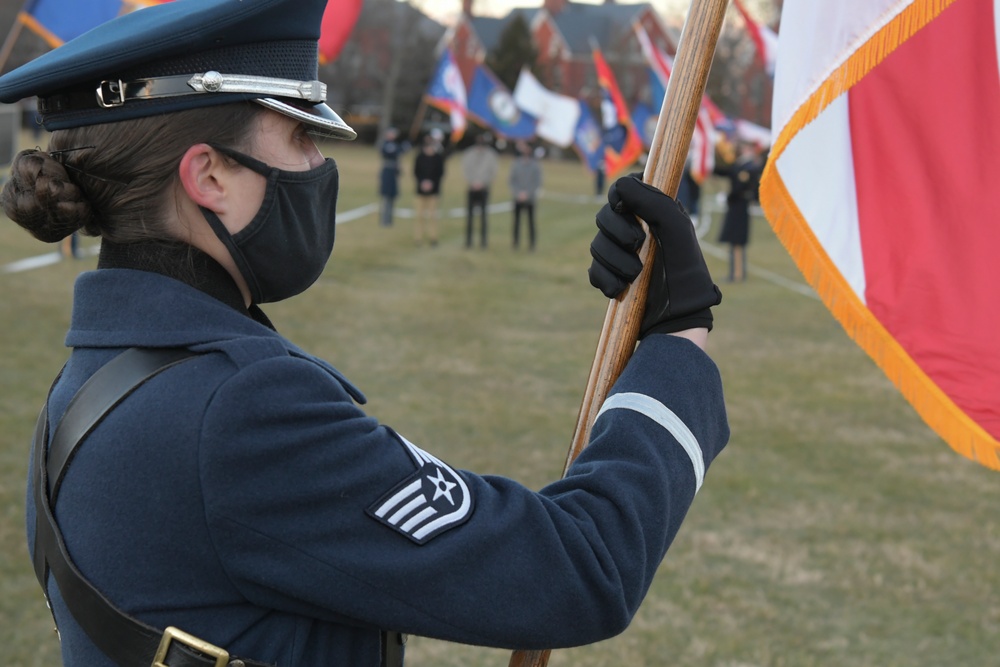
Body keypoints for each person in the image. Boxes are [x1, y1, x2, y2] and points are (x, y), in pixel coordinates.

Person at [0, 1, 728, 666]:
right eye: (299, 134)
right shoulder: (239, 409)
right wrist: (677, 338)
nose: (318, 166)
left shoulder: (86, 388)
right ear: (209, 176)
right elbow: (580, 569)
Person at [715, 141, 764, 282]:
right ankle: (736, 273)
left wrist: (728, 197)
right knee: (734, 241)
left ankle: (737, 274)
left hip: (740, 206)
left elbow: (740, 187)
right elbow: (724, 171)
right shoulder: (739, 165)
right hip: (736, 206)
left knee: (737, 241)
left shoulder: (749, 167)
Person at [460, 132, 498, 248]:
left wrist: (482, 182)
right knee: (470, 217)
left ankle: (483, 242)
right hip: (472, 187)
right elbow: (466, 169)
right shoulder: (469, 154)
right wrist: (473, 182)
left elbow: (493, 171)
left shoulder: (491, 155)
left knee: (483, 217)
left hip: (484, 188)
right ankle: (469, 241)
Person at [412, 132, 445, 246]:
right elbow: (416, 172)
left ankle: (433, 237)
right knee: (420, 216)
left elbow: (440, 173)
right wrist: (423, 183)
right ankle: (418, 238)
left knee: (432, 216)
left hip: (434, 191)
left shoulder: (438, 158)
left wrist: (431, 184)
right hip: (421, 191)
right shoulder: (420, 157)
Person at [508, 141, 542, 251]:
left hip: (530, 199)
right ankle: (515, 243)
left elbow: (537, 182)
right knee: (516, 222)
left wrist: (528, 193)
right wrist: (518, 193)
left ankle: (532, 244)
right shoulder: (516, 164)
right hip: (518, 198)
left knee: (531, 222)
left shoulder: (535, 166)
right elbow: (512, 180)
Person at [377, 127, 407, 227]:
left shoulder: (396, 144)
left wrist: (405, 147)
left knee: (393, 196)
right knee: (386, 197)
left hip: (394, 172)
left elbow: (400, 152)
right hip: (387, 172)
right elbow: (390, 153)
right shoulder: (386, 144)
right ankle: (384, 220)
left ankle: (390, 220)